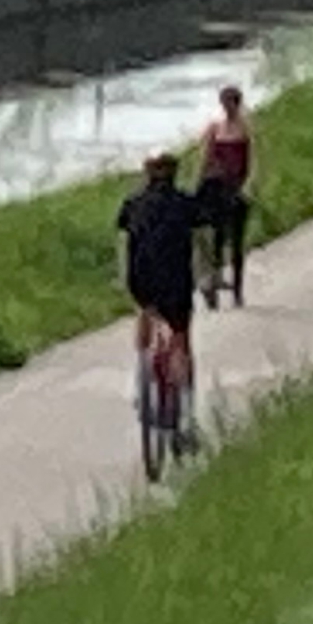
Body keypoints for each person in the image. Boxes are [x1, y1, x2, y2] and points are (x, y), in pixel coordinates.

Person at [116, 153, 200, 450]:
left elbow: (123, 226)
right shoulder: (183, 203)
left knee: (145, 310)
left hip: (141, 282)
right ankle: (184, 418)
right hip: (176, 284)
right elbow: (203, 220)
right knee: (180, 338)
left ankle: (142, 370)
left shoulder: (133, 204)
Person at [194, 84, 254, 307]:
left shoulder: (246, 128)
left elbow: (254, 160)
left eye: (230, 104)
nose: (227, 108)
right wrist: (197, 186)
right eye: (224, 104)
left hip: (237, 188)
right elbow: (205, 158)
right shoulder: (215, 128)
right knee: (216, 238)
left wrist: (248, 187)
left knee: (236, 241)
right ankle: (215, 283)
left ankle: (238, 290)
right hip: (217, 189)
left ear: (237, 104)